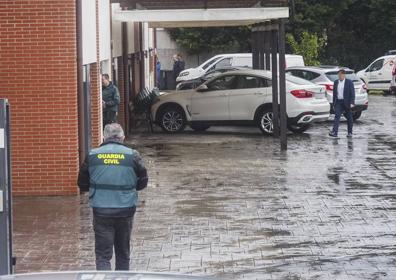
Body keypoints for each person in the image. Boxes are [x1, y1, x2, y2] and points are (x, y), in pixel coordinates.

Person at [77, 123, 148, 271]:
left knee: (103, 256)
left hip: (101, 210)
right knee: (123, 253)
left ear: (104, 136)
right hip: (125, 210)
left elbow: (82, 184)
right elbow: (143, 182)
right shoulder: (132, 155)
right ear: (122, 137)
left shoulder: (92, 155)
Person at [329, 69, 356, 138]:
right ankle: (335, 132)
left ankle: (350, 132)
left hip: (347, 102)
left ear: (344, 75)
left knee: (349, 117)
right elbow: (334, 94)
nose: (339, 76)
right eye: (338, 75)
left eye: (341, 75)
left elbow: (352, 93)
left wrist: (352, 102)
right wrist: (334, 104)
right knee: (337, 117)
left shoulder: (349, 82)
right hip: (338, 102)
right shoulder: (336, 82)